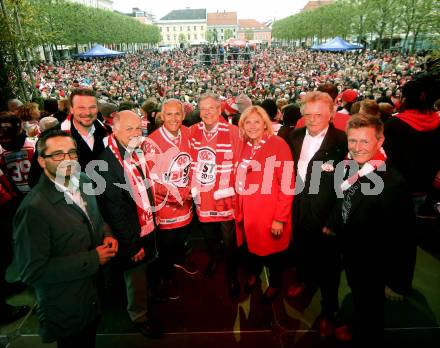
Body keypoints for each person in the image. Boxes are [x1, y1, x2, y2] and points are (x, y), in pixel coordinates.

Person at [9, 130, 118, 347]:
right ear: (41, 160)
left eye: (71, 153)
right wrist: (93, 259)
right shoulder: (34, 209)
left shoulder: (84, 180)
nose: (67, 160)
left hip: (93, 294)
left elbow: (95, 218)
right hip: (65, 305)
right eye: (57, 155)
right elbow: (33, 271)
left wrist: (107, 233)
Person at [324, 113, 416, 345]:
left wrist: (397, 282)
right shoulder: (350, 165)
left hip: (374, 260)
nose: (357, 147)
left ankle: (365, 333)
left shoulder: (393, 183)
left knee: (370, 303)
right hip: (352, 248)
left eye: (365, 141)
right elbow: (342, 196)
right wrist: (334, 223)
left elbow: (404, 238)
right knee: (358, 293)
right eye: (352, 140)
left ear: (380, 141)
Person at [286, 91, 347, 337]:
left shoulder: (343, 141)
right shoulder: (295, 135)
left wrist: (334, 220)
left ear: (331, 114)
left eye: (319, 114)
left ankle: (329, 311)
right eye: (308, 114)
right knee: (302, 250)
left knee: (330, 268)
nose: (313, 119)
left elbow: (347, 185)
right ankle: (304, 280)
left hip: (326, 215)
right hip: (299, 208)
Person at [96, 110, 159, 337]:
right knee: (135, 276)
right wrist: (132, 245)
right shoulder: (105, 162)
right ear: (114, 129)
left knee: (144, 273)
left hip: (146, 224)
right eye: (128, 129)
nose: (135, 133)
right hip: (132, 232)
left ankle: (144, 302)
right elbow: (114, 211)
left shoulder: (135, 151)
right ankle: (139, 317)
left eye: (137, 128)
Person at [235, 106, 294, 303]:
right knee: (252, 250)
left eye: (256, 122)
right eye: (247, 122)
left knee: (274, 255)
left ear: (265, 124)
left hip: (270, 214)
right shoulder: (244, 145)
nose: (252, 126)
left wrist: (280, 218)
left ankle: (275, 283)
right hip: (249, 212)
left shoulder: (278, 144)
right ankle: (254, 274)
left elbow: (287, 185)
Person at [189, 93, 241, 299]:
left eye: (211, 108)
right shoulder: (193, 131)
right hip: (202, 196)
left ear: (219, 110)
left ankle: (231, 272)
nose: (207, 112)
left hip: (224, 196)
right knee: (209, 236)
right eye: (203, 109)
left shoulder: (234, 131)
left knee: (229, 239)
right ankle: (214, 258)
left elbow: (239, 164)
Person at [144, 99, 196, 300]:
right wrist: (179, 196)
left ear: (183, 115)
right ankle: (166, 276)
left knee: (182, 238)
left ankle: (178, 259)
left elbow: (192, 164)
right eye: (169, 114)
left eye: (177, 114)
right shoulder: (152, 143)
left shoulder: (187, 132)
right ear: (161, 116)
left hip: (187, 201)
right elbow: (151, 181)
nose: (174, 118)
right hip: (166, 206)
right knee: (166, 245)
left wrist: (192, 187)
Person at [61, 88, 108, 170]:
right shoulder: (52, 136)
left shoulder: (109, 132)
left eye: (92, 107)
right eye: (81, 108)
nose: (87, 113)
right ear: (71, 109)